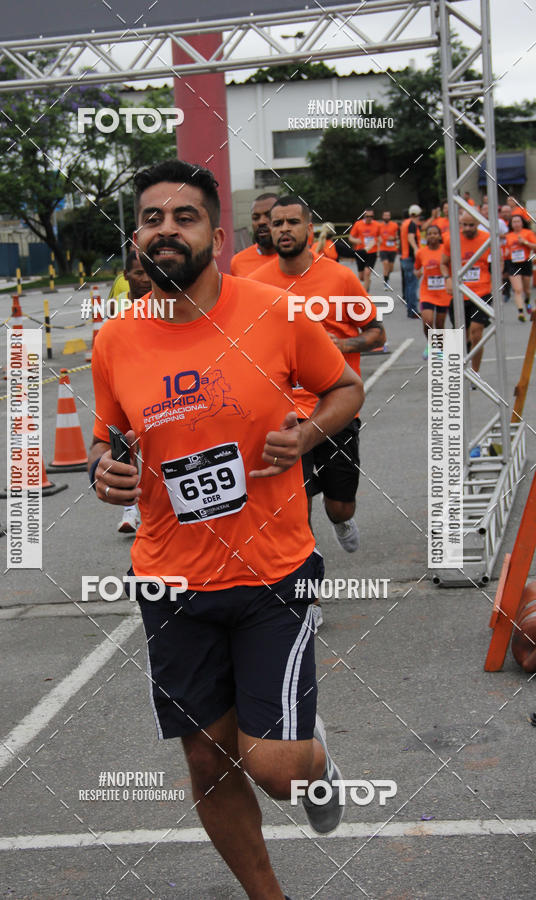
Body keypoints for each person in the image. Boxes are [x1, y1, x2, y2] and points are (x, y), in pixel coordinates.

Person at [89, 159, 364, 899]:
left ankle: (312, 758)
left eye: (184, 217)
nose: (167, 230)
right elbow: (109, 440)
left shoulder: (272, 311)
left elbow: (344, 387)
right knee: (209, 763)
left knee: (274, 771)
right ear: (137, 236)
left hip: (271, 569)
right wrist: (102, 471)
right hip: (171, 579)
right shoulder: (116, 340)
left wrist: (308, 436)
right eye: (152, 218)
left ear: (217, 230)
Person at [252, 195, 384, 575]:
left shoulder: (340, 277)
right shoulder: (255, 285)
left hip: (335, 409)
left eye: (292, 222)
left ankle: (342, 521)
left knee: (339, 504)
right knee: (296, 511)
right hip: (285, 415)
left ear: (309, 229)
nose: (284, 230)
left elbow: (376, 333)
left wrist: (337, 345)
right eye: (277, 224)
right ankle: (308, 599)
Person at [115, 249, 152, 533]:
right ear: (126, 276)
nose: (145, 279)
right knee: (126, 445)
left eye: (148, 271)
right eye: (138, 273)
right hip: (126, 381)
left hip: (158, 382)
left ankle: (155, 502)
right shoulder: (119, 306)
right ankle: (130, 509)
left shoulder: (168, 301)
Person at [441, 212, 492, 376]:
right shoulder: (452, 240)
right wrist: (447, 278)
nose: (468, 228)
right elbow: (443, 263)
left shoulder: (487, 238)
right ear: (460, 224)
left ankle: (475, 373)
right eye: (464, 225)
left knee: (477, 333)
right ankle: (462, 362)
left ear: (478, 223)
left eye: (471, 225)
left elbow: (497, 261)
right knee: (462, 335)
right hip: (460, 293)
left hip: (482, 292)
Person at [414, 224, 452, 358]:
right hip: (427, 292)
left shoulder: (445, 250)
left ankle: (440, 349)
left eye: (435, 233)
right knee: (427, 321)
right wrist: (417, 272)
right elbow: (416, 268)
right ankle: (430, 345)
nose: (432, 236)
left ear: (440, 235)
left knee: (440, 323)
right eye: (429, 234)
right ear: (426, 237)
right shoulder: (421, 252)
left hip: (443, 292)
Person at [230, 192, 278, 276]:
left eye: (268, 215)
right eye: (256, 218)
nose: (261, 222)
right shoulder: (238, 262)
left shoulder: (297, 259)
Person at [505, 213, 536, 320]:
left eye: (518, 221)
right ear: (511, 224)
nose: (516, 224)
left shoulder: (528, 233)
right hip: (512, 263)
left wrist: (525, 242)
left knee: (527, 290)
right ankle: (520, 312)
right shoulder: (508, 236)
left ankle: (527, 301)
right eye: (514, 222)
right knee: (518, 289)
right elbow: (505, 250)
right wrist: (506, 253)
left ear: (522, 223)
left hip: (525, 262)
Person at [349, 208, 380, 291]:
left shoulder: (377, 225)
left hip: (372, 252)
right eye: (367, 216)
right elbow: (350, 237)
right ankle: (367, 282)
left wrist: (378, 243)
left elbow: (380, 237)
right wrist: (356, 240)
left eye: (371, 216)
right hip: (360, 252)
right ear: (364, 216)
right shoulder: (358, 224)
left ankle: (365, 295)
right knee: (361, 277)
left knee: (367, 272)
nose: (369, 218)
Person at [400, 204, 422, 318]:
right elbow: (411, 237)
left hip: (404, 257)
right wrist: (416, 249)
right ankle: (413, 310)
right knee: (413, 285)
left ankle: (410, 309)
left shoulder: (405, 223)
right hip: (410, 258)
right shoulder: (412, 224)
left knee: (409, 285)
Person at [377, 210, 399, 288]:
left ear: (390, 217)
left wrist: (393, 238)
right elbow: (377, 236)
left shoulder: (394, 225)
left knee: (391, 268)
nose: (386, 217)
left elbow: (397, 236)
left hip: (392, 249)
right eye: (385, 215)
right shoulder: (379, 226)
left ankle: (387, 277)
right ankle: (385, 284)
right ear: (382, 217)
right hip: (383, 248)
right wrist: (379, 239)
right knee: (385, 264)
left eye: (388, 215)